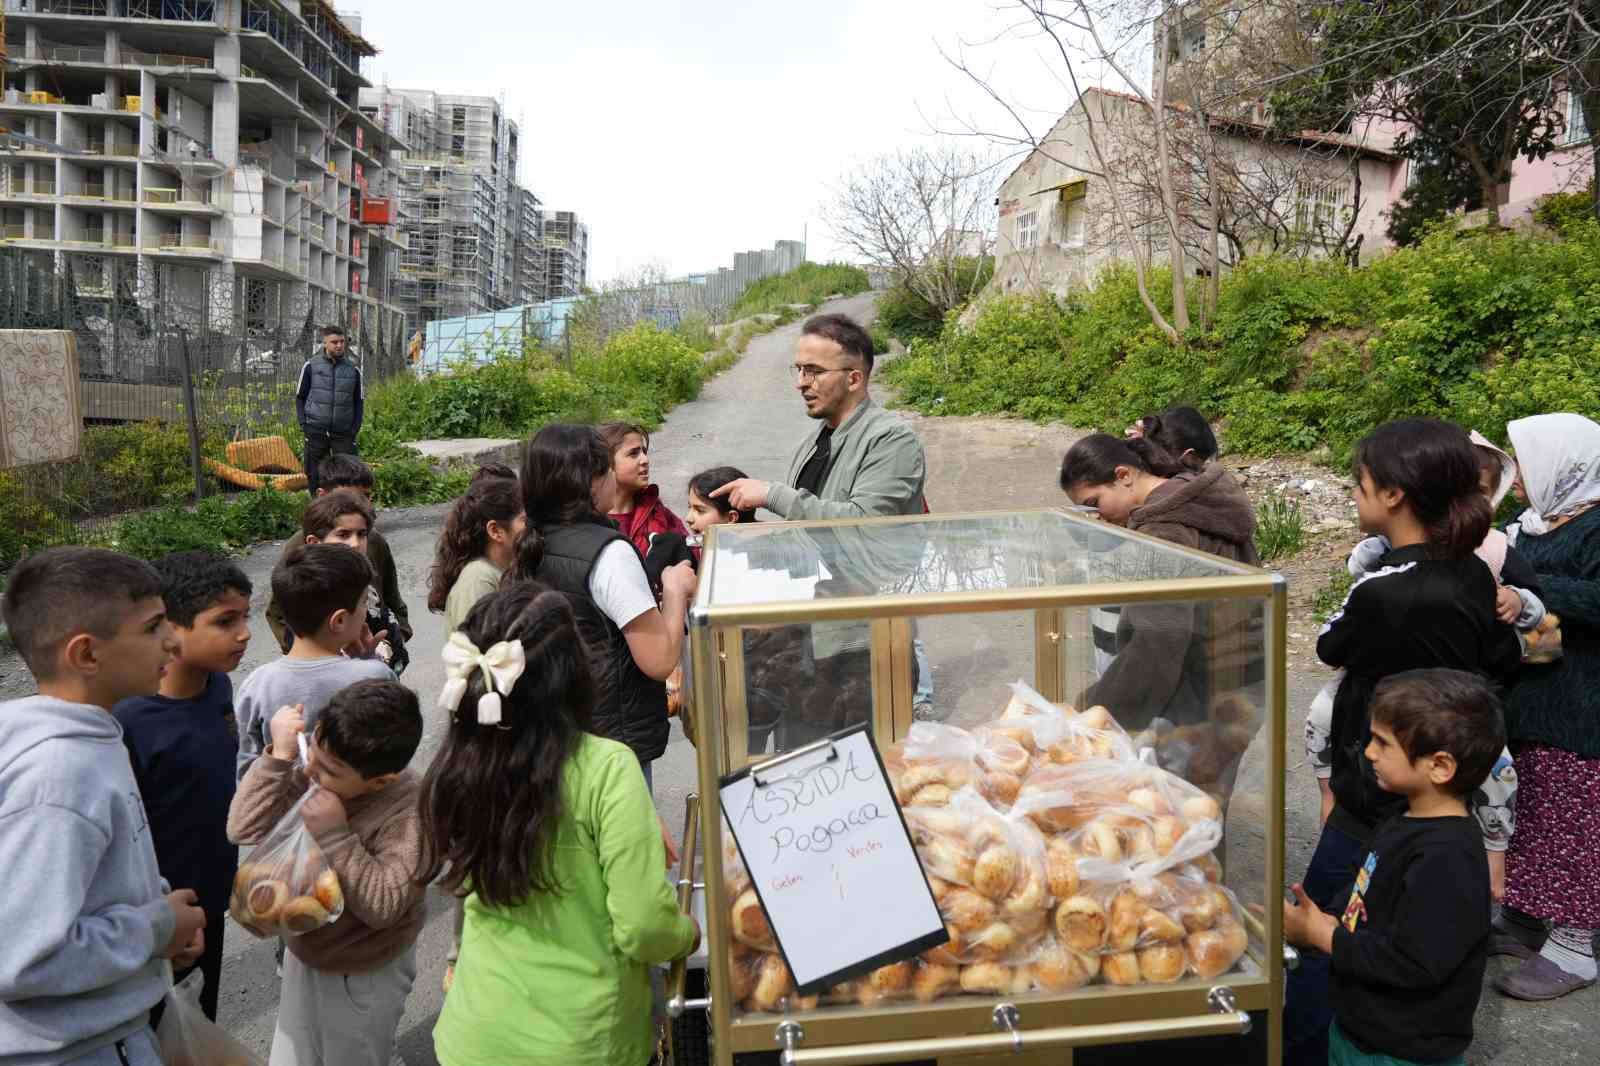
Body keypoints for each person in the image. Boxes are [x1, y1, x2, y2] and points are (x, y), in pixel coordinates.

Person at [1283, 418, 1523, 1066]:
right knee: (1396, 923)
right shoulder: (1474, 575)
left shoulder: (1386, 587)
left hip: (1378, 790)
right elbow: (1502, 662)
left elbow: (1329, 644)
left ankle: (1309, 1049)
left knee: (1319, 930)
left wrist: (1369, 573)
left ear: (1392, 495)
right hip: (1434, 786)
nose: (1354, 495)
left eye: (1359, 484)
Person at [419, 582, 700, 1066]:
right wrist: (688, 932)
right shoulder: (607, 768)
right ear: (572, 673)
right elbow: (643, 926)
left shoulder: (462, 764)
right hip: (585, 1042)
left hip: (473, 1036)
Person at [0, 548, 207, 1065]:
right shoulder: (58, 776)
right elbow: (23, 957)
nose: (173, 640)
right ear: (87, 655)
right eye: (153, 627)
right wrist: (156, 927)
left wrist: (159, 924)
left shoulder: (92, 734)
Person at [1284, 669, 1502, 1066]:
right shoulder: (1404, 816)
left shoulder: (1447, 859)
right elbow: (1361, 889)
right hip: (1360, 1029)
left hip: (1400, 1051)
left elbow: (1414, 964)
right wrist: (1322, 920)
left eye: (1383, 743)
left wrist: (1325, 937)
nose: (1368, 752)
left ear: (1440, 766)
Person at [228, 679, 425, 1066]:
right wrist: (278, 758)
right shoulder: (316, 768)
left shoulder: (413, 811)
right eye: (313, 749)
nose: (312, 771)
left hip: (363, 974)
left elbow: (384, 906)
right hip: (306, 953)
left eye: (330, 769)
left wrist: (336, 835)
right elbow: (242, 828)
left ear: (380, 780)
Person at [1060, 433, 1263, 800]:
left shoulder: (1163, 530)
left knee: (1178, 811)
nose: (1099, 517)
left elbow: (1158, 644)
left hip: (1204, 688)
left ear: (1124, 475)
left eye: (1096, 503)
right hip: (1239, 676)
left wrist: (1090, 709)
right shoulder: (1194, 494)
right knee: (1207, 804)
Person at [511, 424, 695, 800]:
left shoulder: (534, 540)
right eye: (610, 467)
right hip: (613, 744)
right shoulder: (609, 554)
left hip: (558, 733)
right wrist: (675, 591)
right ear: (592, 481)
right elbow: (658, 660)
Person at [113, 551, 252, 1023]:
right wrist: (157, 918)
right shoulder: (129, 719)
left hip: (209, 899)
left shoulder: (218, 688)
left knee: (196, 1021)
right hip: (157, 914)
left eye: (245, 617)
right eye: (224, 621)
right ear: (170, 628)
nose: (244, 633)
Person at [1492, 413, 1600, 1001]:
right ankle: (1525, 917)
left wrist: (1534, 592)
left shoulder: (1597, 525)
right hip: (1532, 690)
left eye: (1524, 466)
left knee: (1573, 823)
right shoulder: (1532, 524)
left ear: (1564, 465)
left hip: (1581, 706)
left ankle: (1574, 949)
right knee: (1527, 809)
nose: (1514, 481)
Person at [425, 473, 525, 995]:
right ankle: (460, 967)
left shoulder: (490, 575)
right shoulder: (481, 582)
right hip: (484, 733)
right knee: (479, 852)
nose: (529, 529)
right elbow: (484, 668)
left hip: (485, 729)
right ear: (497, 530)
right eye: (522, 520)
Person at [712, 313, 926, 522]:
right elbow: (806, 529)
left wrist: (773, 495)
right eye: (799, 369)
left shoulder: (892, 440)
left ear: (853, 380)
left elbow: (868, 524)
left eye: (813, 371)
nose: (801, 382)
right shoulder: (816, 440)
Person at [234, 543, 394, 779]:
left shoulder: (257, 684)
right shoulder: (376, 676)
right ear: (338, 621)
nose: (365, 611)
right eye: (363, 602)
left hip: (286, 811)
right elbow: (395, 747)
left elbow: (246, 770)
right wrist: (368, 661)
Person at [266, 455, 410, 660]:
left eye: (366, 497)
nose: (361, 505)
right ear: (322, 495)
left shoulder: (373, 541)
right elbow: (279, 611)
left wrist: (394, 639)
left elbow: (390, 595)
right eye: (349, 497)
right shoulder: (299, 547)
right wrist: (306, 654)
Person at [601, 421, 689, 558]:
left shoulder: (654, 508)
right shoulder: (589, 521)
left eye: (644, 451)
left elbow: (688, 549)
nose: (645, 460)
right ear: (606, 462)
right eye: (633, 454)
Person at [296, 324, 364, 496]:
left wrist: (354, 429)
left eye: (342, 342)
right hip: (316, 429)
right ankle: (318, 507)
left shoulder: (353, 370)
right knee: (314, 472)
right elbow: (300, 396)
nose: (339, 345)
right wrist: (305, 424)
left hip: (343, 432)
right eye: (334, 342)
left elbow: (359, 401)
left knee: (349, 472)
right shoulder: (311, 366)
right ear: (324, 343)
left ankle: (346, 505)